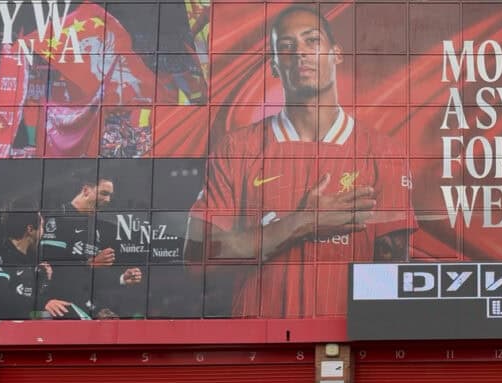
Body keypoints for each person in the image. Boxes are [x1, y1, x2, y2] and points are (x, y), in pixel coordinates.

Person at [184, 5, 413, 318]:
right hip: (258, 347)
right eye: (287, 46)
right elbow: (198, 258)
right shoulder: (237, 148)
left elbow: (392, 273)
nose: (301, 53)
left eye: (312, 41)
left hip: (349, 341)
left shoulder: (384, 152)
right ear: (275, 66)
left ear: (336, 54)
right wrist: (301, 222)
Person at [40, 171, 143, 318]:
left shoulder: (94, 225)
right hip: (59, 307)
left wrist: (121, 278)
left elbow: (90, 275)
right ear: (86, 190)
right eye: (103, 193)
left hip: (82, 306)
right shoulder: (59, 216)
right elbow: (50, 265)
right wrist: (89, 264)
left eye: (110, 195)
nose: (107, 200)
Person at [0, 211, 75, 319]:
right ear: (30, 229)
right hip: (3, 319)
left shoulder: (32, 259)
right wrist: (43, 303)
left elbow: (30, 294)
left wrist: (45, 280)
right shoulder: (0, 255)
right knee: (55, 316)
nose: (43, 232)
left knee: (64, 314)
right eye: (41, 227)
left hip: (27, 315)